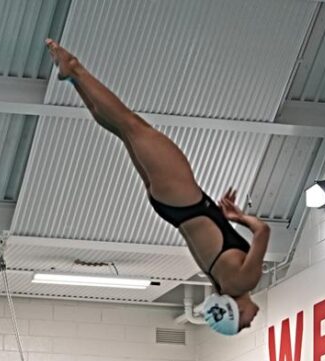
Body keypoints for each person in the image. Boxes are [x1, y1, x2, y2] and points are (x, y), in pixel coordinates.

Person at [46, 39, 270, 335]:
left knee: (132, 125)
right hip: (169, 208)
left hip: (185, 201)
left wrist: (241, 218)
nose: (250, 322)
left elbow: (263, 231)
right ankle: (74, 77)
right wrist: (225, 217)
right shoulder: (222, 286)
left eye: (243, 324)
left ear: (236, 311)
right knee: (122, 130)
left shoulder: (245, 281)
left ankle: (75, 69)